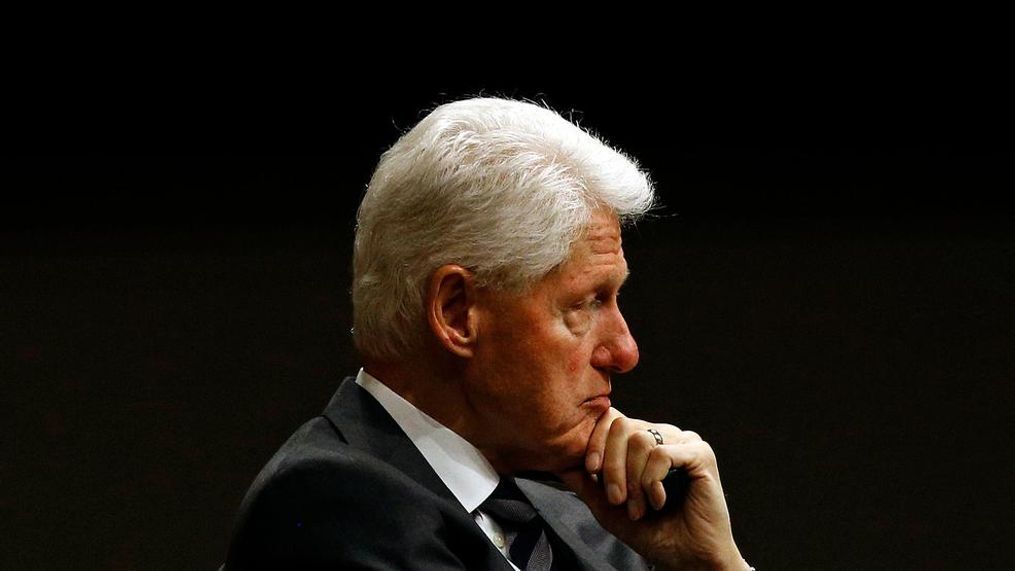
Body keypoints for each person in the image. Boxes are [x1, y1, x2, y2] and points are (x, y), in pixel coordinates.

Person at [224, 98, 752, 570]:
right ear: (457, 314)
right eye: (584, 304)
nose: (625, 351)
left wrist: (711, 567)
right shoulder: (330, 505)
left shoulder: (582, 523)